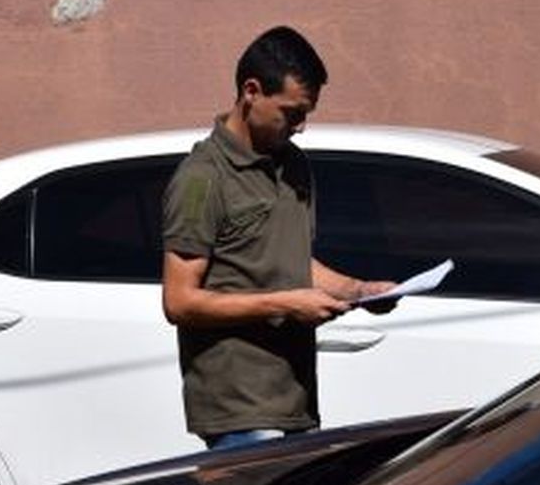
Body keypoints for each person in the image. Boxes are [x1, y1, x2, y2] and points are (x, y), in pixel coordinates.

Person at [161, 26, 398, 451]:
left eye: (307, 113)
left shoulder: (294, 167)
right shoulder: (201, 179)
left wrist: (360, 290)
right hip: (239, 412)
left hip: (296, 403)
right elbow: (179, 301)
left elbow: (292, 261)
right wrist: (288, 303)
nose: (302, 126)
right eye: (291, 113)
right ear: (251, 91)